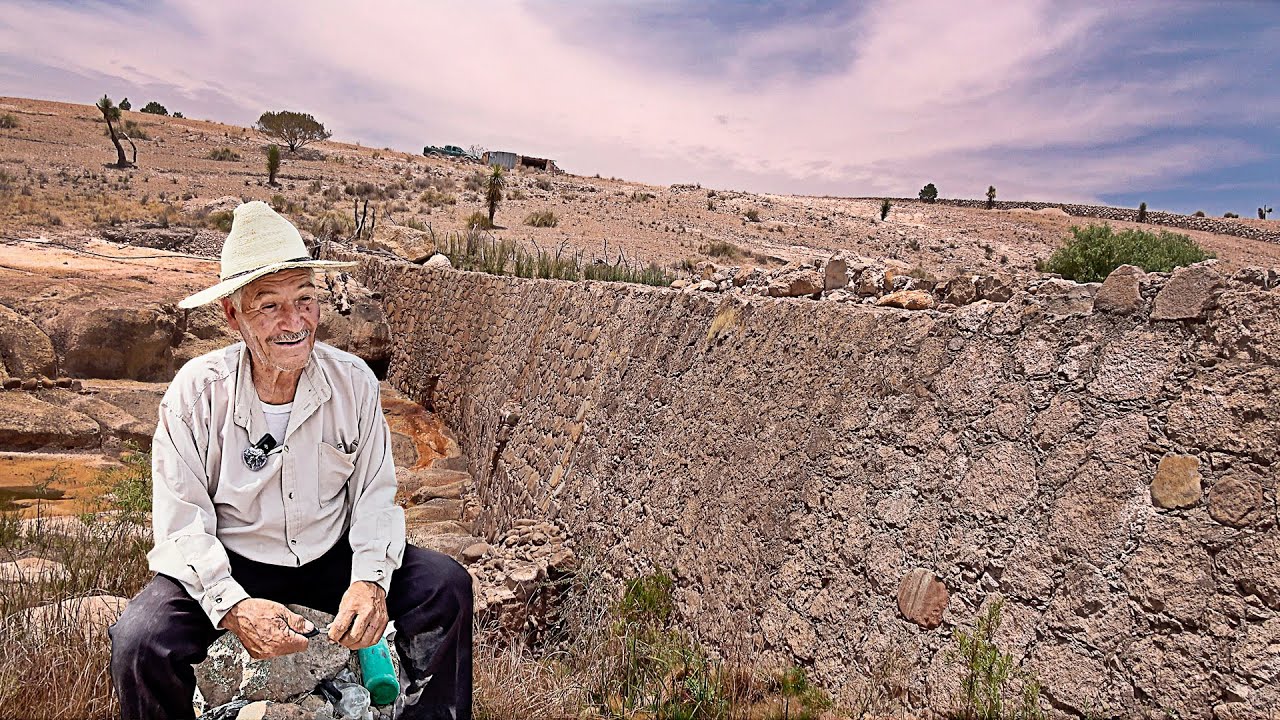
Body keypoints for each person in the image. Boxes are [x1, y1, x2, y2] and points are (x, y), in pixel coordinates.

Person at [109, 201, 472, 720]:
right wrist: (231, 605)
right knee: (140, 641)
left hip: (330, 556)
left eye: (305, 299)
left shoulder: (352, 382)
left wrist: (369, 580)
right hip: (234, 560)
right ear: (232, 314)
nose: (294, 321)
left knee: (446, 586)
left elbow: (375, 495)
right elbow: (182, 524)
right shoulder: (196, 394)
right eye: (269, 305)